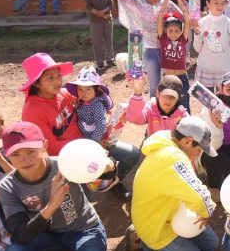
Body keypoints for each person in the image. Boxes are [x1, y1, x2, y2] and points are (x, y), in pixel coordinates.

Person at [0, 121, 110, 251]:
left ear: (45, 145)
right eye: (15, 154)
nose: (24, 159)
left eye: (31, 151)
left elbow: (99, 180)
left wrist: (108, 167)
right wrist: (51, 206)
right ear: (6, 155)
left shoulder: (66, 165)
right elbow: (21, 235)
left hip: (83, 229)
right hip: (48, 236)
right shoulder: (8, 187)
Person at [19, 53, 140, 198]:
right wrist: (91, 147)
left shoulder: (64, 94)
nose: (57, 81)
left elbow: (95, 98)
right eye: (50, 78)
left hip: (94, 140)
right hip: (70, 157)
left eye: (58, 76)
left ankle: (109, 180)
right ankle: (97, 177)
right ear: (36, 83)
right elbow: (51, 147)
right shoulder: (32, 111)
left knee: (132, 154)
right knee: (84, 198)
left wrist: (109, 117)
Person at [130, 117, 218, 251]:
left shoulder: (167, 140)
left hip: (172, 211)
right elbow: (199, 197)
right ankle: (146, 244)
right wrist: (207, 212)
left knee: (211, 245)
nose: (199, 154)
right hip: (157, 226)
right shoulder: (174, 158)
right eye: (199, 149)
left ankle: (182, 242)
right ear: (187, 141)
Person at [108, 0, 179, 97]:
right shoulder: (137, 2)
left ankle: (168, 112)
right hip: (148, 48)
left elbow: (183, 18)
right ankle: (154, 114)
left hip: (168, 49)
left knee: (171, 83)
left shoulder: (167, 3)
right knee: (154, 84)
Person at [156, 0, 191, 112]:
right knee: (167, 105)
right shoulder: (163, 39)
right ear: (165, 31)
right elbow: (159, 18)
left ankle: (186, 126)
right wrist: (165, 2)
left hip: (182, 78)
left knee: (184, 103)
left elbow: (187, 21)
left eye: (177, 31)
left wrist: (182, 4)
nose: (173, 33)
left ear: (181, 31)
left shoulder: (183, 39)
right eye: (170, 31)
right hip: (167, 78)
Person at [65, 66, 112, 143]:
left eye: (88, 89)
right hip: (85, 136)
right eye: (80, 89)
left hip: (96, 139)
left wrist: (93, 142)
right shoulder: (81, 102)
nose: (84, 93)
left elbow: (101, 126)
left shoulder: (97, 106)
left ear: (96, 90)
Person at [83, 0, 114, 69]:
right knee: (97, 42)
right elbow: (88, 6)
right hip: (95, 21)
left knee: (109, 40)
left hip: (107, 19)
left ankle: (110, 60)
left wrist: (104, 12)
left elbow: (111, 4)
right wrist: (100, 14)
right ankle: (100, 62)